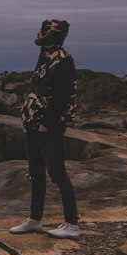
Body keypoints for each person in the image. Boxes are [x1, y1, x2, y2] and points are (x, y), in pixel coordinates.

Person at [10, 18, 80, 239]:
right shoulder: (45, 57)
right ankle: (34, 220)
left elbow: (61, 97)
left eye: (42, 32)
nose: (38, 35)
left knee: (58, 174)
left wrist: (45, 124)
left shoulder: (64, 61)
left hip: (48, 127)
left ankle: (72, 224)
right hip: (33, 123)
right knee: (36, 173)